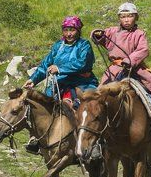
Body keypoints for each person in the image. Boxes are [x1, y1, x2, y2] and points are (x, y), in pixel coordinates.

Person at [22, 16, 97, 152]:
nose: (69, 34)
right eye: (66, 30)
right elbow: (45, 64)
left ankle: (97, 143)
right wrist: (33, 79)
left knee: (92, 107)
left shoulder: (84, 45)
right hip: (61, 83)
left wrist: (60, 68)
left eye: (72, 30)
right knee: (43, 106)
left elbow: (83, 63)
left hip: (82, 82)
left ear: (78, 31)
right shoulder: (58, 46)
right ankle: (38, 137)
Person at [91, 2, 151, 120]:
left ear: (136, 17)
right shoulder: (113, 31)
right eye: (123, 17)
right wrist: (97, 34)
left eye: (130, 16)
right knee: (102, 87)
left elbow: (143, 49)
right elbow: (101, 36)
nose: (126, 20)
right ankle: (96, 111)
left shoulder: (139, 34)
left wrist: (129, 60)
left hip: (135, 66)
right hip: (116, 68)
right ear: (119, 18)